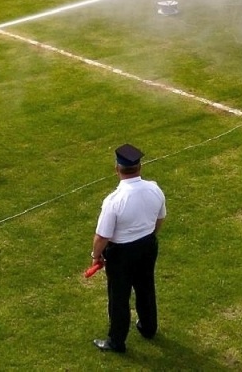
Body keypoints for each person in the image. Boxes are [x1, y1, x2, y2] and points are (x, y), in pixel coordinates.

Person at [91, 144, 167, 354]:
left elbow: (102, 236)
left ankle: (116, 341)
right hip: (148, 245)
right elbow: (160, 219)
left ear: (117, 169)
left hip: (121, 253)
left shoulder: (114, 201)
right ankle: (148, 327)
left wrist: (96, 255)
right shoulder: (154, 189)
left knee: (119, 297)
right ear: (139, 167)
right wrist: (148, 236)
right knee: (145, 287)